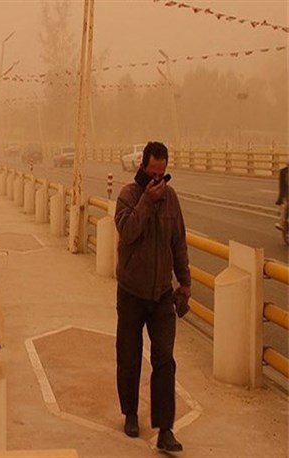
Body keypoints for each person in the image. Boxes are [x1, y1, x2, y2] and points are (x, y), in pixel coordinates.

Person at [114, 141, 191, 452]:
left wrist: (184, 283)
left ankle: (165, 429)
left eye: (163, 175)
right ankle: (130, 413)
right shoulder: (128, 196)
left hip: (161, 294)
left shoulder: (171, 200)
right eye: (153, 174)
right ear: (143, 168)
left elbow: (179, 243)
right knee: (129, 357)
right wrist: (146, 201)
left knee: (164, 361)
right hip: (131, 292)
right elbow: (127, 231)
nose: (158, 180)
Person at [274, 163, 288, 233]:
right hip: (287, 196)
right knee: (286, 205)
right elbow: (283, 187)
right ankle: (282, 222)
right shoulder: (284, 171)